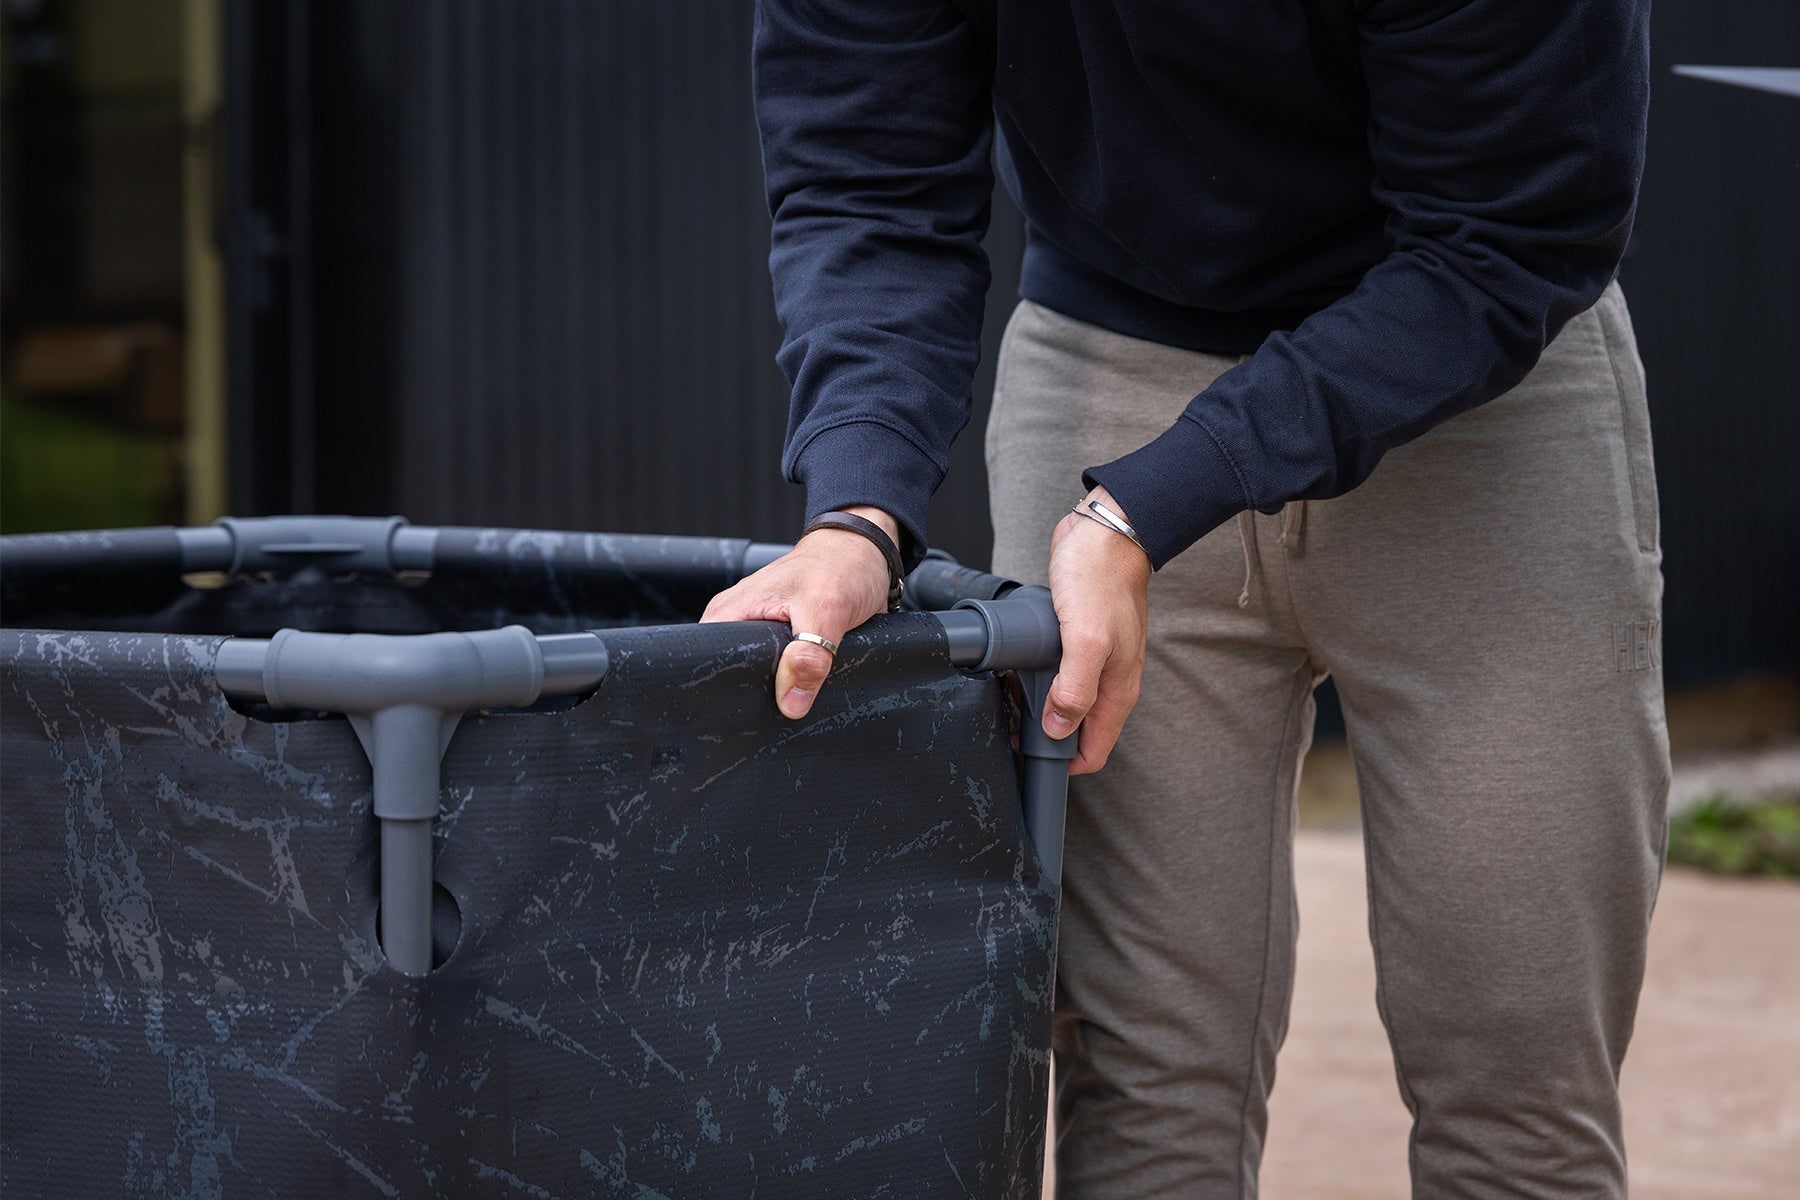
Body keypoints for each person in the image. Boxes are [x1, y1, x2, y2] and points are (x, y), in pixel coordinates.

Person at [702, 1, 1668, 1195]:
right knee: (1141, 1087)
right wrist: (858, 509)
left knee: (1516, 1083)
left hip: (1480, 382)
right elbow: (867, 172)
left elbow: (1513, 230)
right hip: (1112, 351)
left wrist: (1146, 507)